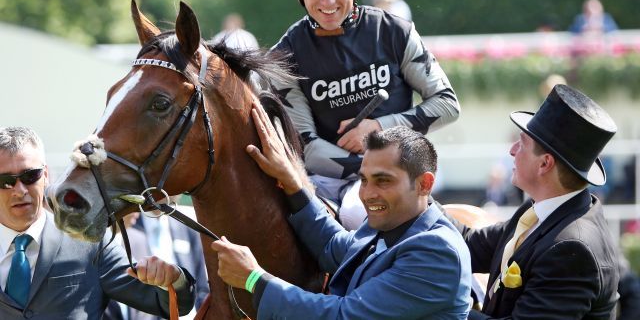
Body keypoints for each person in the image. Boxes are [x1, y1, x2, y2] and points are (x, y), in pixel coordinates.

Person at [271, 0, 460, 230]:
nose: (328, 1)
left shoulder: (396, 32)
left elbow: (447, 104)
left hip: (397, 177)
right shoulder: (284, 57)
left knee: (359, 212)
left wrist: (378, 128)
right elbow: (308, 146)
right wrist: (368, 167)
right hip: (327, 179)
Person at [211, 103, 472, 319]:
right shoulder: (386, 224)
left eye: (383, 180)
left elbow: (344, 315)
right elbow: (331, 245)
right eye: (364, 180)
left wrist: (254, 280)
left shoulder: (437, 252)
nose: (368, 194)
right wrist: (292, 183)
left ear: (424, 184)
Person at [453, 84, 620, 319]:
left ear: (545, 164)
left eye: (521, 143)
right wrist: (416, 191)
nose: (512, 150)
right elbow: (469, 244)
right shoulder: (541, 210)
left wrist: (444, 310)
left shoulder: (571, 249)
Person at [0, 126, 196, 319]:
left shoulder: (90, 243)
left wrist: (171, 280)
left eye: (30, 176)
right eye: (5, 181)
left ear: (45, 175)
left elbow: (170, 302)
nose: (20, 191)